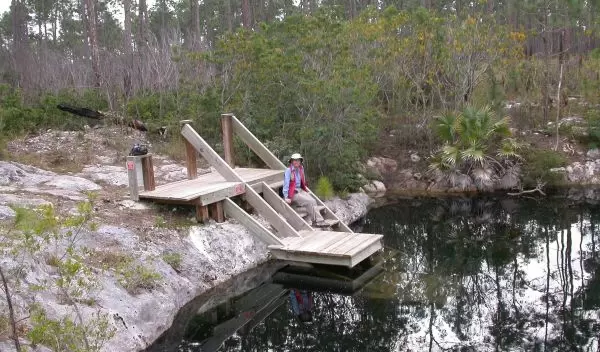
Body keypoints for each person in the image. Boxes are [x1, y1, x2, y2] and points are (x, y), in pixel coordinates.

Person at [282, 153, 326, 226]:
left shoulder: (301, 168)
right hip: (293, 193)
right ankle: (318, 221)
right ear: (292, 161)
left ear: (300, 161)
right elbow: (286, 184)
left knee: (314, 200)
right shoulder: (288, 170)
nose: (296, 162)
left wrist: (305, 189)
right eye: (294, 160)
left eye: (298, 160)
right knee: (310, 201)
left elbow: (302, 181)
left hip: (300, 190)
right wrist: (286, 197)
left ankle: (316, 221)